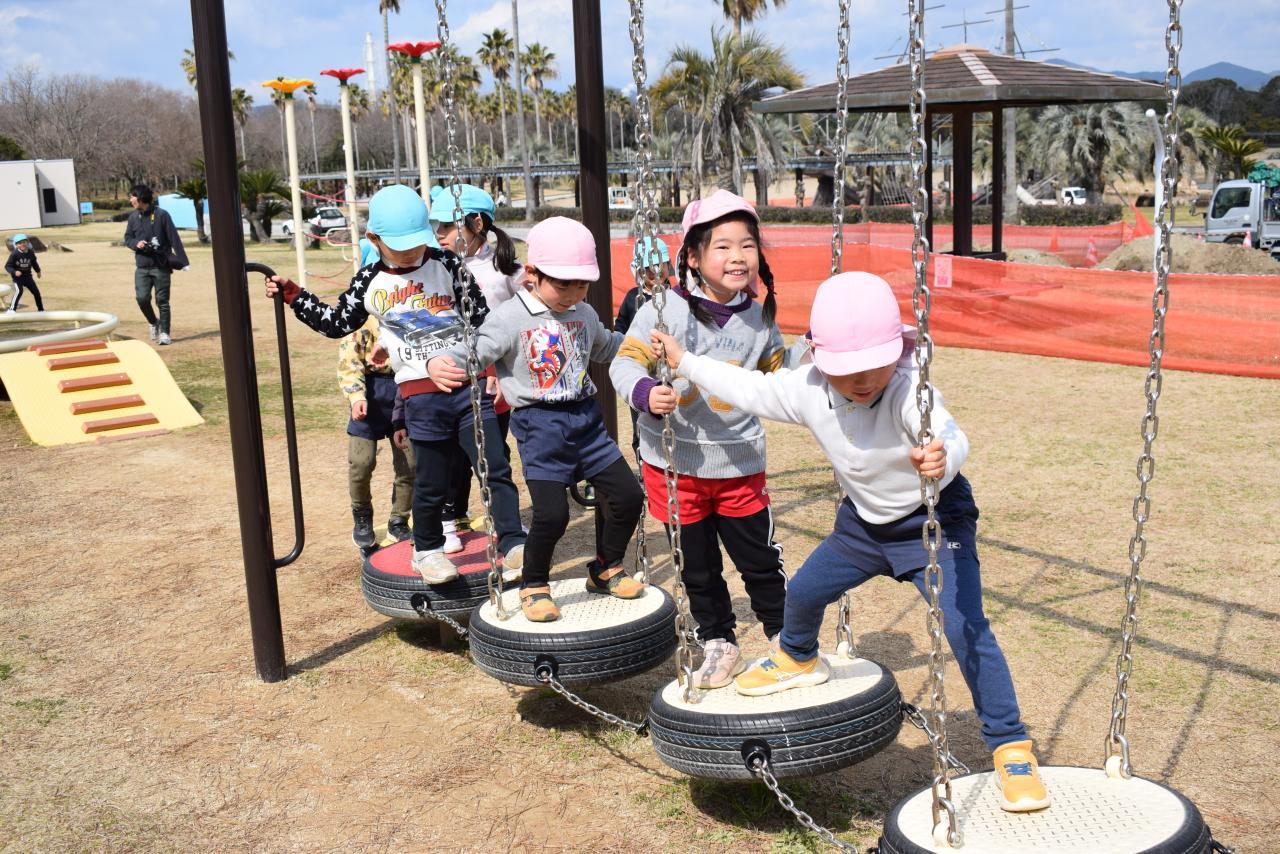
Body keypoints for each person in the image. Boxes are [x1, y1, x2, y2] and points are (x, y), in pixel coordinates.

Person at [650, 271, 1050, 813]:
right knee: (804, 592)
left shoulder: (909, 388)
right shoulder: (809, 388)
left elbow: (949, 434)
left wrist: (941, 456)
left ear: (898, 352)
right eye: (847, 370)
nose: (863, 380)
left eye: (875, 366)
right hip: (863, 528)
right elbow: (748, 387)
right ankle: (797, 655)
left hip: (933, 525)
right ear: (819, 358)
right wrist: (686, 361)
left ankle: (1010, 746)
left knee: (965, 627)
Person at [263, 184, 527, 585]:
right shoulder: (369, 280)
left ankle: (513, 542)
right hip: (422, 398)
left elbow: (480, 319)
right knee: (431, 480)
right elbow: (335, 323)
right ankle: (428, 551)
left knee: (495, 467)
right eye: (400, 246)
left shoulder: (447, 264)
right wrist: (294, 295)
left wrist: (490, 370)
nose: (411, 252)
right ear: (374, 239)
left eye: (417, 243)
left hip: (469, 387)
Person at [427, 217, 645, 623]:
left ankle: (606, 567)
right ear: (532, 273)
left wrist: (643, 348)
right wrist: (439, 361)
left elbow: (606, 346)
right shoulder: (511, 317)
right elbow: (477, 349)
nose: (573, 294)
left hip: (587, 420)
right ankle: (534, 584)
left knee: (629, 496)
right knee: (552, 515)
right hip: (540, 425)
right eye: (563, 285)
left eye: (581, 285)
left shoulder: (583, 312)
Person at [610, 191, 788, 689]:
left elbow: (778, 371)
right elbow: (625, 362)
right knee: (698, 565)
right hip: (675, 464)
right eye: (723, 247)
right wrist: (645, 392)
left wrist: (814, 361)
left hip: (738, 462)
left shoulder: (759, 317)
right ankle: (718, 640)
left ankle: (785, 637)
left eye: (748, 246)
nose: (738, 257)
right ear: (692, 256)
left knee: (759, 558)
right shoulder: (662, 309)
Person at [429, 183, 525, 544]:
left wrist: (501, 371)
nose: (439, 233)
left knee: (494, 452)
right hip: (452, 372)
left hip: (494, 379)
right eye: (436, 226)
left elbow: (524, 318)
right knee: (451, 454)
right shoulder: (437, 268)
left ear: (478, 224)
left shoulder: (506, 271)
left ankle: (502, 519)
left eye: (447, 226)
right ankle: (448, 520)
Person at [339, 316, 415, 551]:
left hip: (403, 393)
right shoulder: (363, 322)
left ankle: (399, 519)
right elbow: (349, 363)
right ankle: (362, 514)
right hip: (369, 398)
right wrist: (356, 397)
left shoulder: (407, 317)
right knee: (361, 463)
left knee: (410, 464)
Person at [614, 235, 672, 457]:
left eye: (660, 265)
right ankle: (642, 456)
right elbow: (621, 326)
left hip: (669, 369)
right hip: (642, 370)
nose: (655, 272)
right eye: (648, 268)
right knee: (640, 417)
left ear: (668, 265)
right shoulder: (633, 298)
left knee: (670, 416)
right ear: (638, 271)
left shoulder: (675, 297)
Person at [123, 184, 188, 345]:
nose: (130, 200)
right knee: (142, 299)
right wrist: (136, 244)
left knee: (162, 301)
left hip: (161, 266)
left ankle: (165, 333)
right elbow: (128, 238)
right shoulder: (133, 217)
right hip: (142, 267)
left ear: (140, 197)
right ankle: (153, 321)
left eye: (132, 197)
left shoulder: (162, 215)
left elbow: (174, 238)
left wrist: (183, 261)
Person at [5, 234, 42, 312]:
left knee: (36, 292)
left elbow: (34, 263)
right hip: (17, 278)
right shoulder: (14, 254)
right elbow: (8, 266)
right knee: (19, 291)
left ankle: (41, 310)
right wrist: (14, 272)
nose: (22, 244)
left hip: (28, 277)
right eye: (19, 243)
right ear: (16, 245)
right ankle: (11, 309)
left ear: (27, 242)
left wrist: (38, 271)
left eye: (24, 242)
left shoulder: (31, 253)